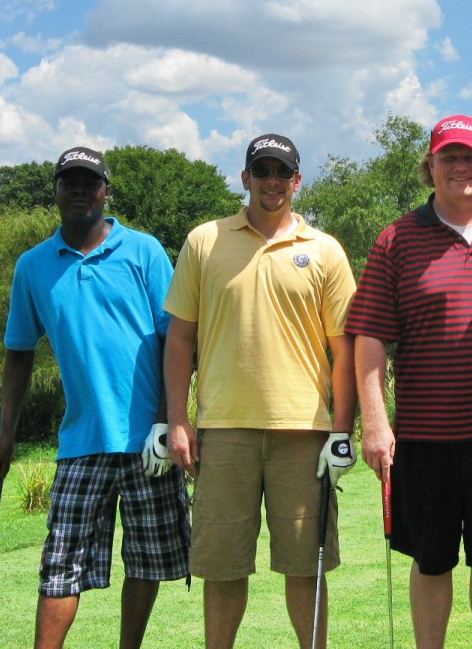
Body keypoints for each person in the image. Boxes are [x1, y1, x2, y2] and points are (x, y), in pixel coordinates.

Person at [348, 114, 472, 649]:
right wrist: (375, 423)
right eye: (449, 157)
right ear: (430, 166)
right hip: (425, 437)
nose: (461, 166)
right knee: (430, 561)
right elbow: (369, 336)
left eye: (470, 156)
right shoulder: (397, 238)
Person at [0, 146, 190, 649]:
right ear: (55, 191)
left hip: (148, 439)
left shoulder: (144, 251)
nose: (79, 191)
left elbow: (178, 341)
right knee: (61, 566)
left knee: (147, 561)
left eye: (89, 182)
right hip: (81, 440)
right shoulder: (33, 265)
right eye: (69, 182)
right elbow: (18, 351)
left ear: (106, 191)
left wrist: (167, 422)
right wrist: (5, 434)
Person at [162, 133, 357, 649]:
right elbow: (180, 338)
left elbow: (346, 350)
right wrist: (178, 419)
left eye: (282, 172)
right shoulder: (204, 241)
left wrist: (342, 431)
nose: (273, 181)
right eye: (262, 171)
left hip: (304, 433)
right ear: (245, 177)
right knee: (223, 570)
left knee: (305, 567)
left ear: (297, 180)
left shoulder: (325, 250)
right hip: (223, 431)